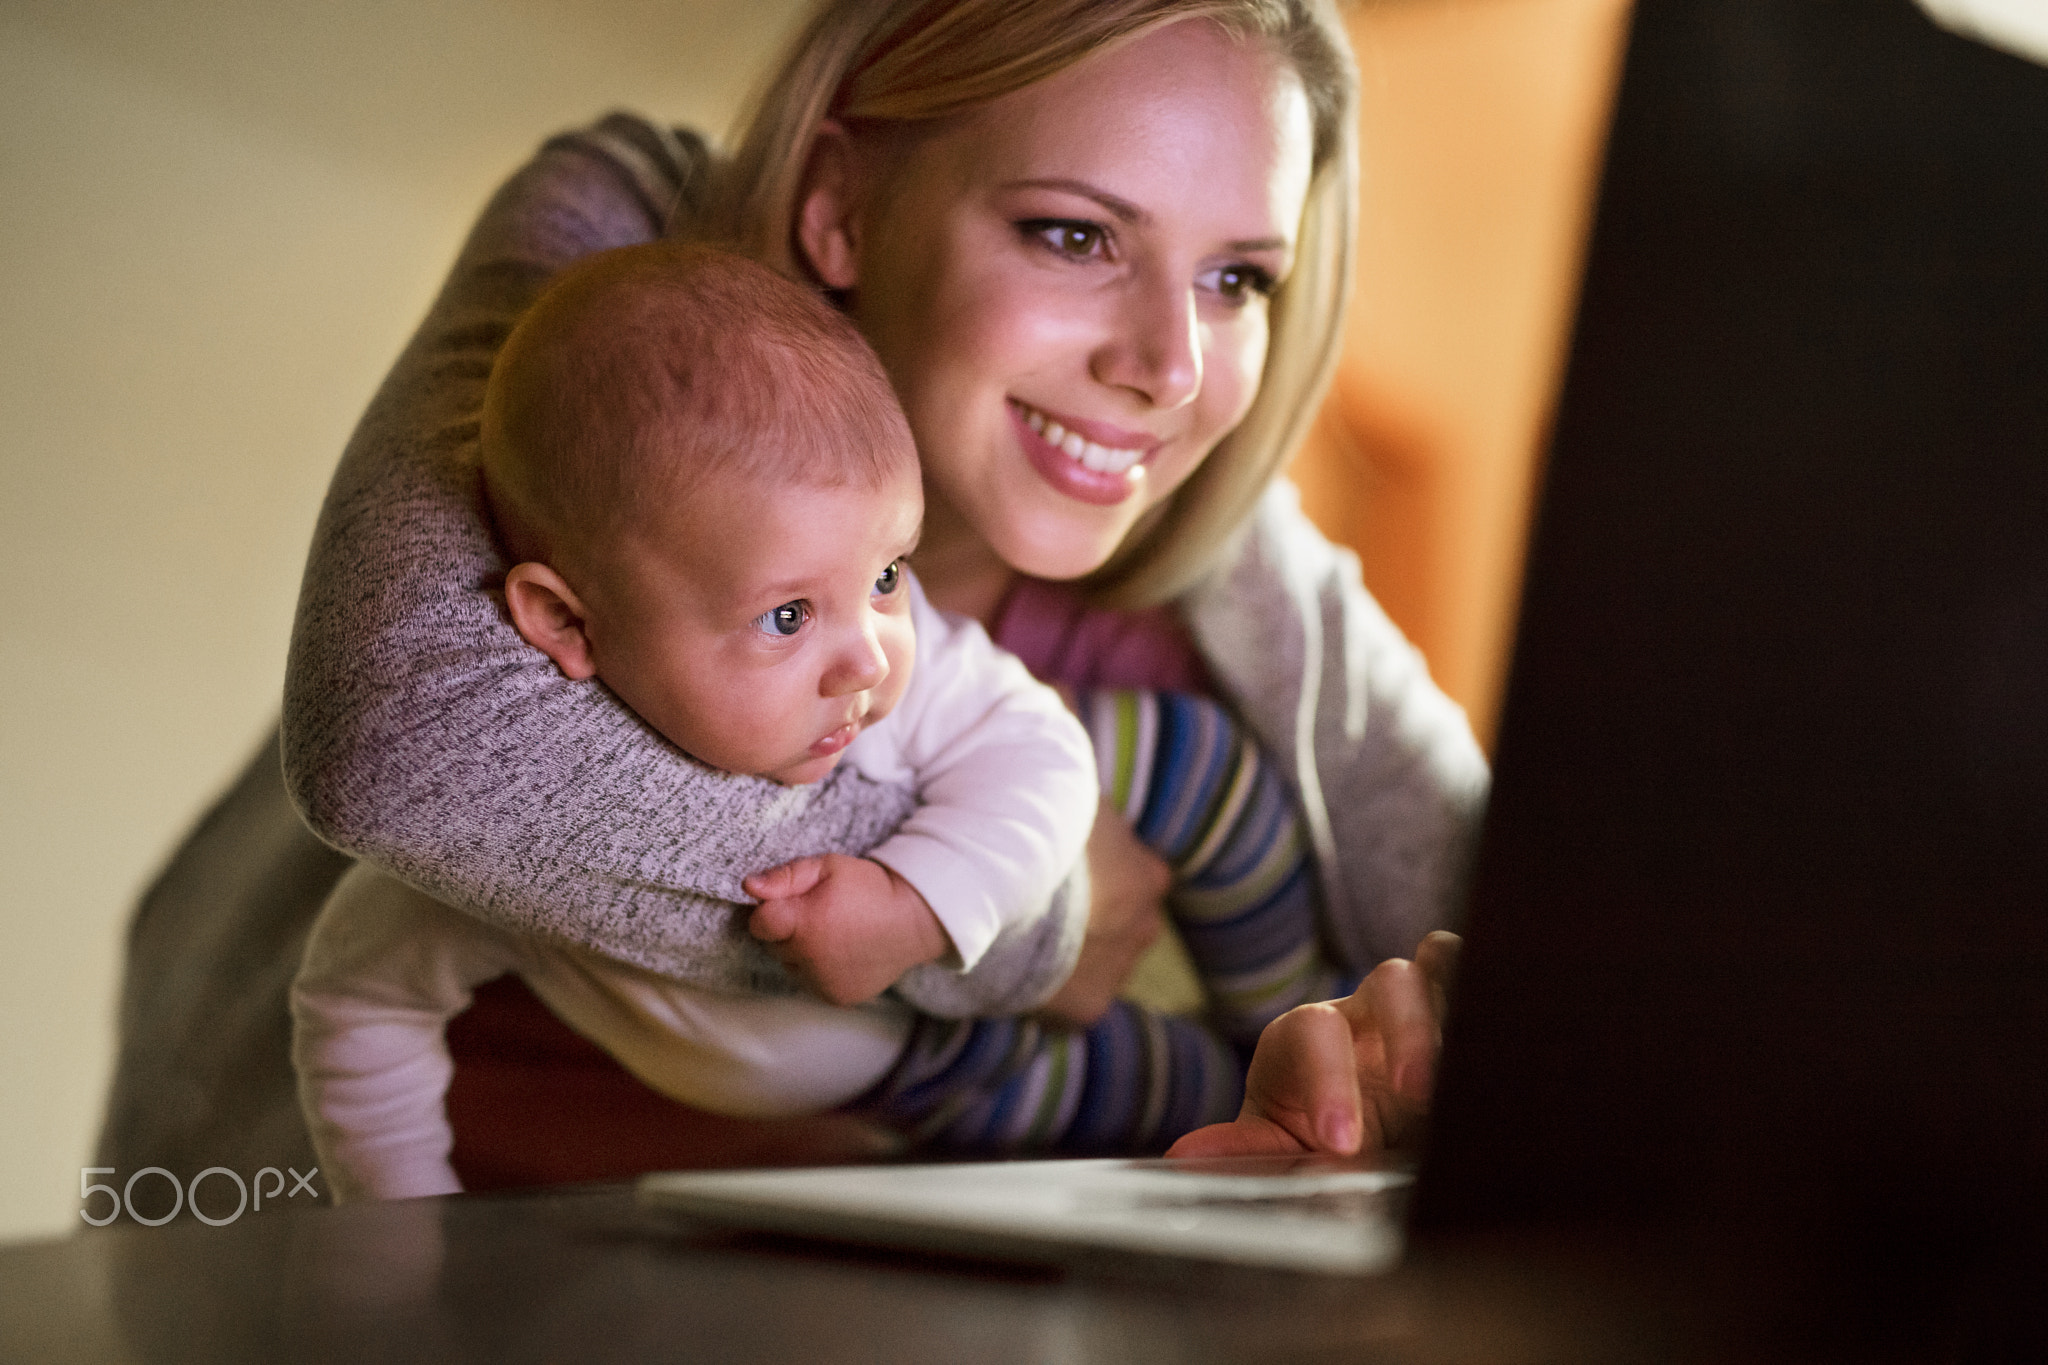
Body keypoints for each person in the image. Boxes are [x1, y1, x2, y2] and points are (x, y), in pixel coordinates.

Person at [97, 0, 1489, 1201]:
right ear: (838, 206)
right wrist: (1016, 913)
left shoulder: (1210, 637)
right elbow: (405, 749)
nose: (1170, 366)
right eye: (1073, 236)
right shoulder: (620, 305)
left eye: (1239, 276)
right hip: (307, 1248)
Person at [294, 240, 1351, 1200]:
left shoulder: (899, 664)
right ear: (568, 622)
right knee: (1179, 1101)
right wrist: (397, 1243)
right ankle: (1282, 1092)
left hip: (993, 861)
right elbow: (355, 1007)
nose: (869, 655)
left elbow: (1042, 760)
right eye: (786, 615)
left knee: (1200, 767)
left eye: (889, 572)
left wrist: (916, 904)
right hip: (937, 1070)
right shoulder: (503, 838)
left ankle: (1300, 1011)